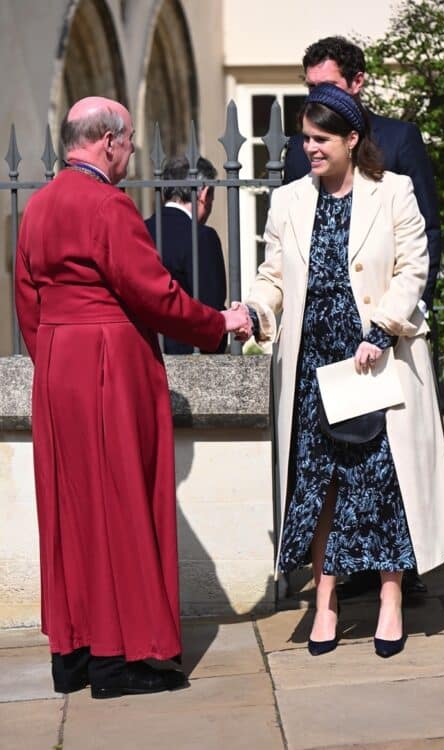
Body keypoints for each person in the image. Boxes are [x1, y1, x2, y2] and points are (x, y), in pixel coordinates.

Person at [14, 96, 251, 699]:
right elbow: (156, 296)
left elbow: (28, 304)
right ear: (107, 141)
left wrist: (55, 364)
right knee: (122, 503)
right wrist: (218, 323)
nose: (131, 155)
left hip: (57, 367)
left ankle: (74, 653)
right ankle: (122, 659)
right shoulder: (109, 207)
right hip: (109, 364)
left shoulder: (36, 209)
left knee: (70, 512)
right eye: (128, 145)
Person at [241, 84, 444, 658]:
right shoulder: (288, 201)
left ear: (351, 139)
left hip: (374, 361)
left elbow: (414, 267)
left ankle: (390, 600)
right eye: (305, 139)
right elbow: (273, 277)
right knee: (321, 487)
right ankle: (326, 602)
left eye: (320, 139)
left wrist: (381, 327)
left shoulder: (394, 193)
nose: (309, 148)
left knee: (382, 484)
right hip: (314, 365)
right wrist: (256, 309)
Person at [284, 35, 442, 597]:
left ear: (357, 82)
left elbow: (424, 245)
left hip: (381, 339)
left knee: (386, 469)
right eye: (310, 90)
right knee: (324, 476)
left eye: (326, 86)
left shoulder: (398, 144)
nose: (309, 144)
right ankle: (338, 584)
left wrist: (397, 321)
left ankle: (399, 581)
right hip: (318, 351)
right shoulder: (301, 157)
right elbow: (286, 255)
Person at [145, 156, 228, 354]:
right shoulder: (202, 237)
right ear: (204, 193)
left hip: (146, 350)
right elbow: (211, 306)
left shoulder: (140, 229)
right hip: (189, 352)